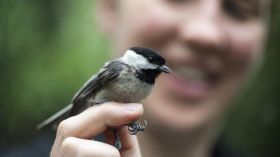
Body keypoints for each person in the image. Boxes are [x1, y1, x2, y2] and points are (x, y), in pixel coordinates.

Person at [50, 0, 272, 157]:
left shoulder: (147, 86)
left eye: (238, 8)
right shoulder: (122, 67)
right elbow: (92, 87)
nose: (205, 35)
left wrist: (130, 125)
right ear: (109, 6)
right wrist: (83, 106)